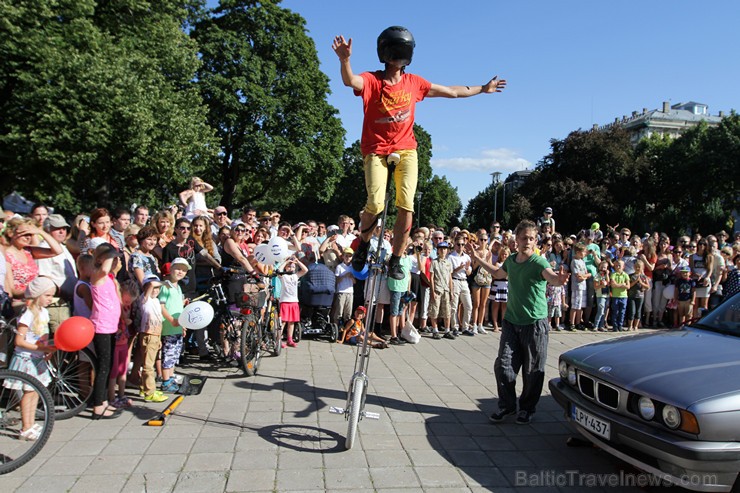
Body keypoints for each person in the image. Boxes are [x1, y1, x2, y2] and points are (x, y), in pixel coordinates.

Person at [333, 27, 506, 280]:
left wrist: (482, 88)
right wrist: (345, 59)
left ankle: (396, 257)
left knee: (407, 205)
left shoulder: (415, 83)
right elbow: (350, 81)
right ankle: (364, 243)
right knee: (376, 202)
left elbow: (452, 91)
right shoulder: (373, 80)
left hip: (406, 149)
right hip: (376, 150)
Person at [467, 220, 569, 425]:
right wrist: (477, 258)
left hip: (534, 324)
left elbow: (552, 278)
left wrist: (560, 279)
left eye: (532, 238)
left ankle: (527, 408)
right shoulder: (512, 260)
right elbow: (497, 273)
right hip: (511, 322)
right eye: (524, 238)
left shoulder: (539, 262)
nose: (528, 242)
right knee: (503, 366)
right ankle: (507, 406)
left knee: (532, 370)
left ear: (536, 240)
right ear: (516, 240)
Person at [3, 276, 57, 440]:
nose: (50, 299)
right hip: (26, 358)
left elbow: (44, 335)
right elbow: (20, 341)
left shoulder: (44, 312)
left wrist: (48, 349)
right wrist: (42, 347)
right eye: (47, 295)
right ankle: (26, 427)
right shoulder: (28, 314)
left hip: (37, 357)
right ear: (37, 295)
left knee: (35, 392)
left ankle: (31, 422)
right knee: (28, 392)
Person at [89, 243, 124, 419]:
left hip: (110, 326)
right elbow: (103, 269)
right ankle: (97, 406)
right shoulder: (97, 275)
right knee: (103, 367)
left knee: (108, 366)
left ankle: (103, 402)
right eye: (111, 258)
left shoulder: (110, 278)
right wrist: (111, 253)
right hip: (101, 326)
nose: (115, 261)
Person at [159, 259, 189, 393]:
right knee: (168, 354)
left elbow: (179, 308)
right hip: (169, 327)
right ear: (170, 269)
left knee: (175, 354)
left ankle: (170, 377)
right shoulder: (165, 286)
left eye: (183, 270)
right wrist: (171, 320)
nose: (180, 272)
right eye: (178, 268)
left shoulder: (178, 287)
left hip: (177, 327)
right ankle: (165, 381)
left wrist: (182, 325)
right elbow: (161, 306)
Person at [137, 274, 168, 402]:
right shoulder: (145, 299)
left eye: (157, 288)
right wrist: (163, 283)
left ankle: (145, 387)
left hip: (155, 335)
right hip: (148, 335)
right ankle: (150, 392)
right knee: (148, 365)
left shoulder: (155, 301)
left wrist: (159, 338)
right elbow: (151, 285)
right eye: (154, 288)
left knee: (149, 364)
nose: (155, 290)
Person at [109, 279, 139, 409]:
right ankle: (111, 397)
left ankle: (121, 395)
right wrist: (123, 319)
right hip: (115, 343)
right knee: (114, 371)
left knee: (123, 370)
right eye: (126, 301)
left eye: (130, 303)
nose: (128, 304)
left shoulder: (126, 306)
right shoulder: (115, 305)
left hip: (123, 342)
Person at [279, 256, 308, 348]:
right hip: (285, 301)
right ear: (286, 267)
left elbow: (305, 270)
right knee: (282, 322)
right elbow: (278, 270)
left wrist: (298, 261)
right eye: (289, 266)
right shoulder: (283, 276)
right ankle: (278, 339)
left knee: (291, 322)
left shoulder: (295, 276)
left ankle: (289, 339)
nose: (290, 268)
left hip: (294, 301)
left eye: (292, 267)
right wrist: (285, 261)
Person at [428, 241, 453, 340]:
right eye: (441, 249)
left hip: (446, 289)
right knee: (435, 310)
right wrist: (432, 291)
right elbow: (432, 277)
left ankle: (447, 330)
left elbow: (450, 277)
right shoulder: (434, 262)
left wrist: (451, 291)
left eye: (445, 249)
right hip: (437, 289)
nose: (443, 251)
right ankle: (435, 330)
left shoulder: (448, 263)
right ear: (438, 250)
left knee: (447, 310)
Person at [332, 248, 356, 325]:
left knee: (348, 313)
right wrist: (344, 276)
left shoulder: (353, 267)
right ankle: (336, 327)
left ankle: (346, 330)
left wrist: (351, 277)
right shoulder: (339, 266)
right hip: (341, 292)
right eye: (346, 256)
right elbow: (336, 280)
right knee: (339, 312)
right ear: (343, 256)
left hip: (350, 292)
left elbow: (355, 282)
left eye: (349, 256)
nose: (348, 258)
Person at [609, 260, 630, 332]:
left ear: (623, 267)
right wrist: (622, 285)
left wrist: (617, 285)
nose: (618, 267)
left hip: (624, 296)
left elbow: (628, 286)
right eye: (616, 265)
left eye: (619, 266)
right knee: (615, 311)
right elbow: (612, 285)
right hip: (615, 296)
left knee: (622, 312)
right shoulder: (613, 274)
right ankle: (615, 326)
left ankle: (620, 325)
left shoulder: (625, 275)